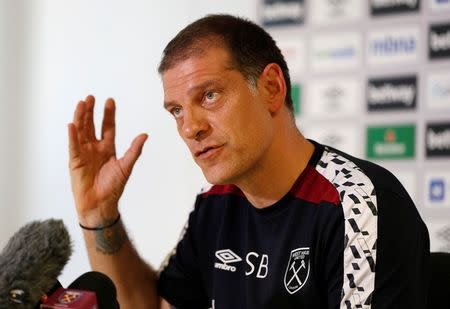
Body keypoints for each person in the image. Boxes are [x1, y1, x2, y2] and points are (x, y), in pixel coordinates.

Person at [68, 14, 430, 309]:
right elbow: (152, 306)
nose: (191, 127)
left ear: (271, 88)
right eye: (176, 111)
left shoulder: (358, 205)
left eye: (209, 96)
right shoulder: (216, 201)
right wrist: (100, 216)